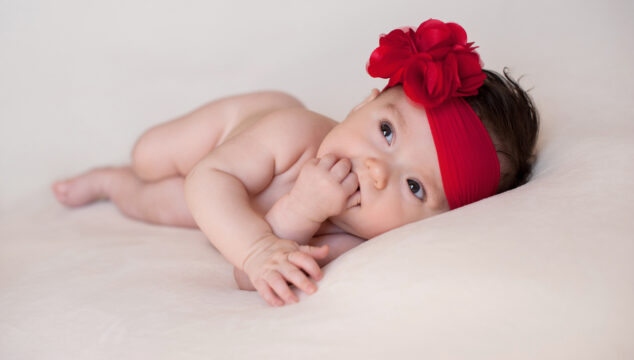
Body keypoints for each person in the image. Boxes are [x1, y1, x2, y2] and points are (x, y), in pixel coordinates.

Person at [51, 19, 539, 307]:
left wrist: (296, 220)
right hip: (231, 137)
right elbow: (209, 176)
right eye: (386, 132)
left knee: (158, 204)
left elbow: (251, 274)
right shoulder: (296, 134)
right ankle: (128, 166)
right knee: (150, 156)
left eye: (415, 187)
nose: (376, 170)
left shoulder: (355, 241)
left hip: (229, 206)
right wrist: (261, 245)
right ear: (362, 104)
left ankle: (111, 184)